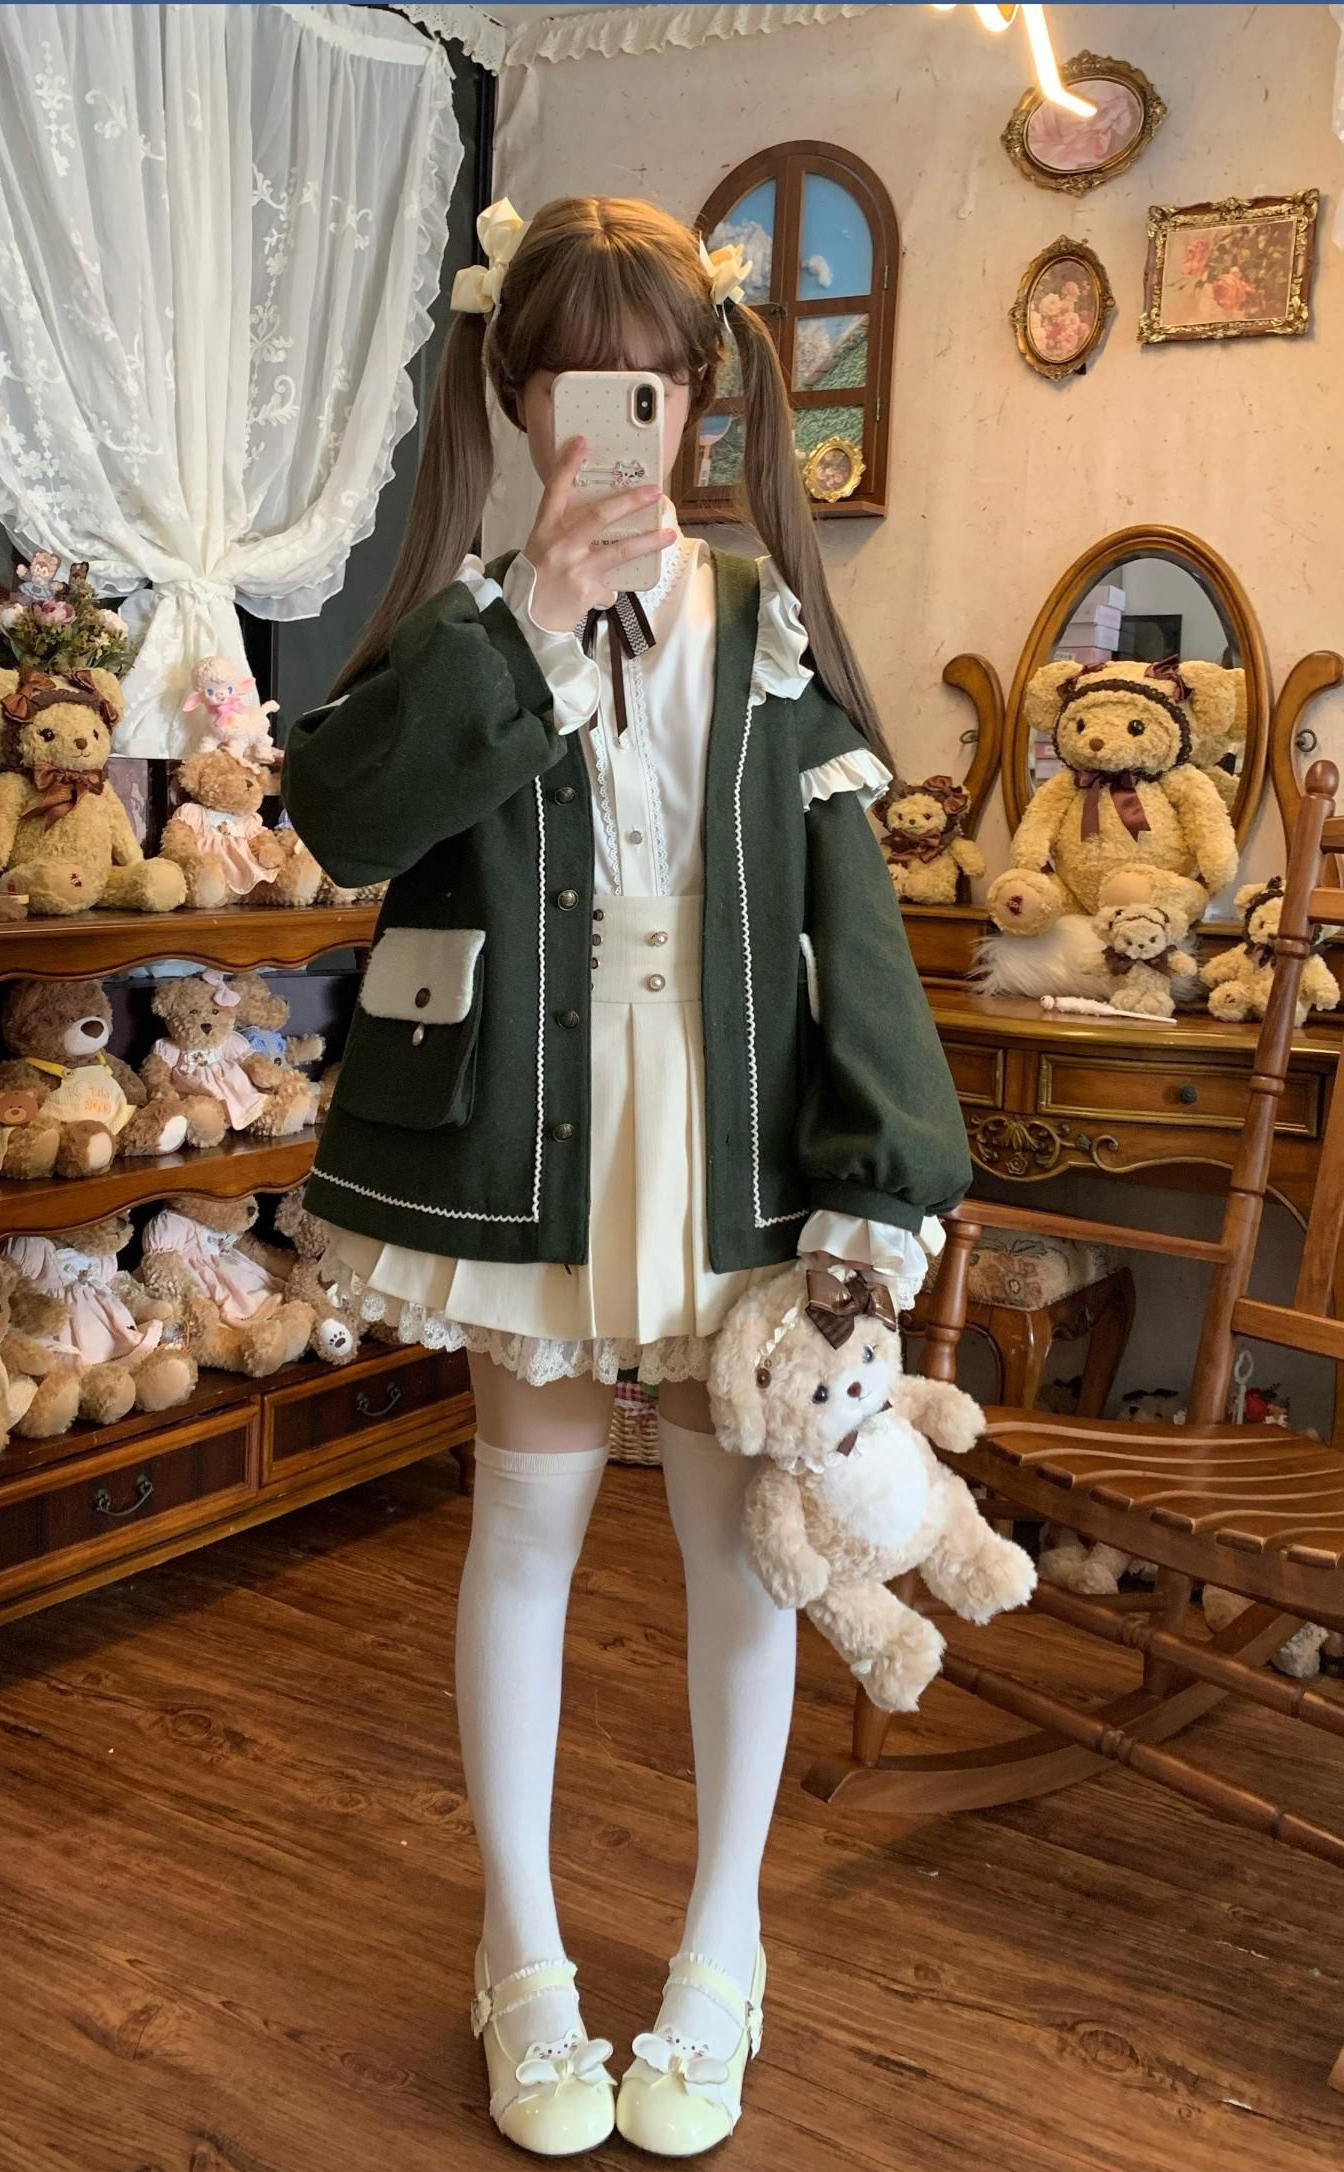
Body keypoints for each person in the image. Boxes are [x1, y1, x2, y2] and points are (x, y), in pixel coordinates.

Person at [283, 194, 970, 2159]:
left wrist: (883, 1172)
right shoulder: (461, 629)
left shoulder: (763, 641)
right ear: (519, 403)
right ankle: (522, 1959)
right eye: (579, 385)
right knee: (525, 1534)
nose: (617, 421)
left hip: (733, 1157)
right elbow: (344, 822)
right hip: (527, 1147)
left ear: (697, 401)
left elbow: (853, 930)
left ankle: (719, 1955)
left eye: (652, 386)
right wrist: (520, 628)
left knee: (741, 1555)